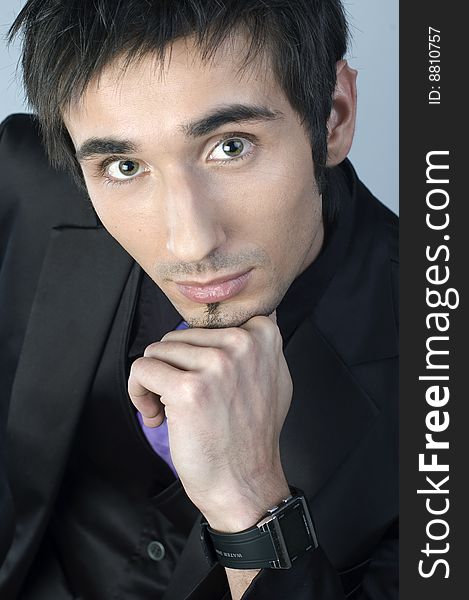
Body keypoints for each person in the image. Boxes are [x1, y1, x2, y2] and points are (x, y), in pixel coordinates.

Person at [0, 1, 398, 598]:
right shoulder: (23, 181)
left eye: (231, 146)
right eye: (125, 165)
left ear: (333, 117)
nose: (190, 242)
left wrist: (252, 505)